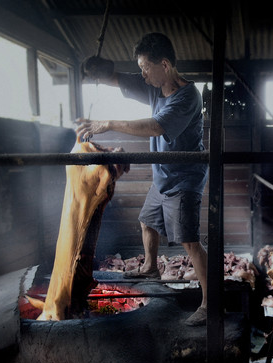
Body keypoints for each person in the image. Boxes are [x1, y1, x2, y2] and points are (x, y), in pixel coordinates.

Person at [76, 32, 209, 326]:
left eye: (145, 67)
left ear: (165, 64)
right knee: (147, 221)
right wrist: (100, 70)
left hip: (184, 178)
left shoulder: (188, 96)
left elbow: (156, 126)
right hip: (163, 174)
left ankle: (210, 303)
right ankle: (150, 267)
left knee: (189, 242)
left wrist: (108, 123)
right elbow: (117, 79)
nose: (143, 74)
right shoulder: (152, 85)